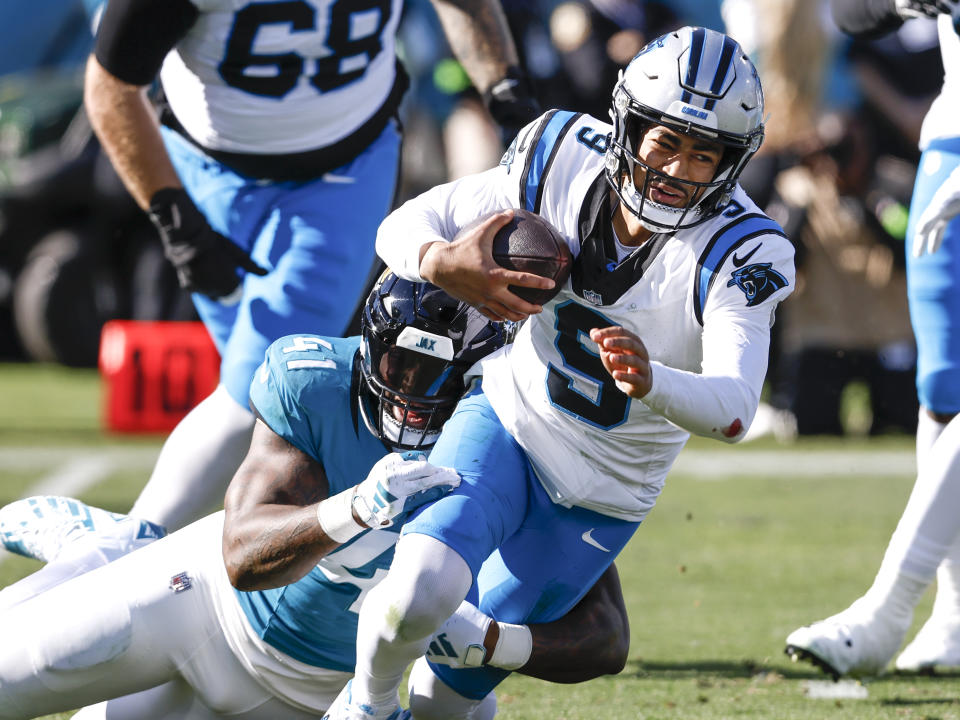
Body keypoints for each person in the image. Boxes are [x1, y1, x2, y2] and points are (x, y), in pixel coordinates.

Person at [323, 26, 795, 720]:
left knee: (442, 696)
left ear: (732, 163)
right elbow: (405, 223)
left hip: (602, 492)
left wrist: (652, 382)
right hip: (510, 423)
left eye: (704, 154)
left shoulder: (741, 251)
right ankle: (361, 709)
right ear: (626, 124)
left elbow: (733, 407)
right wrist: (438, 259)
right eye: (665, 139)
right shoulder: (561, 158)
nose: (676, 168)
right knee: (413, 597)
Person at [0, 273, 629, 719]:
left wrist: (496, 643)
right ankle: (107, 550)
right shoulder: (314, 381)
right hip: (206, 609)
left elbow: (604, 636)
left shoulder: (522, 439)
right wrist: (352, 509)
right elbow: (242, 556)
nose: (412, 391)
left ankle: (104, 550)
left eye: (442, 375)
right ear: (371, 343)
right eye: (400, 366)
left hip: (322, 694)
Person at [83, 0, 540, 538]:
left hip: (345, 173)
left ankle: (123, 552)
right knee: (256, 402)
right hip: (205, 174)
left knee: (252, 391)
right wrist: (177, 220)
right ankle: (234, 579)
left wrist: (506, 95)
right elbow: (110, 87)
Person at [784, 0, 960, 678]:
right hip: (945, 146)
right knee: (942, 390)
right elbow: (850, 18)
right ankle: (952, 614)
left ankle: (889, 607)